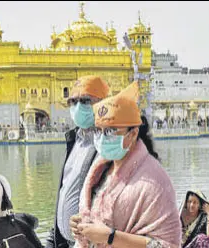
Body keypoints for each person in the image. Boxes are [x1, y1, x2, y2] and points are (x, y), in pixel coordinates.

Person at [70, 82, 181, 248]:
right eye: (98, 131)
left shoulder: (154, 182)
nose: (101, 138)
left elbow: (167, 245)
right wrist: (81, 225)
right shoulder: (99, 172)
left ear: (133, 133)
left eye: (109, 131)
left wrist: (111, 237)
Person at [45, 75, 110, 248]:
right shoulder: (74, 140)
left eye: (85, 101)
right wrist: (53, 238)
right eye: (73, 102)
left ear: (103, 102)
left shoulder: (110, 144)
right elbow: (65, 191)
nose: (78, 106)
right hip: (64, 243)